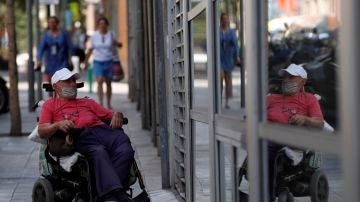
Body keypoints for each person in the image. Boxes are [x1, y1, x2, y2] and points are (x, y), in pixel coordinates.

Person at [37, 68, 134, 202]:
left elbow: (112, 115)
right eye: (67, 81)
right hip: (81, 135)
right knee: (99, 152)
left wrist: (118, 115)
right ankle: (116, 193)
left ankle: (107, 194)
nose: (72, 84)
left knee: (125, 146)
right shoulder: (50, 105)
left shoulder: (87, 102)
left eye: (73, 80)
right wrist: (57, 125)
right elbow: (41, 130)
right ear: (55, 86)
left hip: (101, 131)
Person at [267, 63, 324, 201]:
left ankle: (267, 193)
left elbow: (320, 123)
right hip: (269, 135)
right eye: (285, 77)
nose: (287, 80)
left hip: (293, 137)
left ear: (302, 81)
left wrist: (305, 119)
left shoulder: (309, 99)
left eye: (292, 77)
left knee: (266, 151)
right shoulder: (271, 98)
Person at [85, 16, 122, 109]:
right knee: (100, 81)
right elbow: (90, 49)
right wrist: (86, 61)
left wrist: (116, 43)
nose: (102, 25)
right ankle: (101, 103)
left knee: (108, 83)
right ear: (98, 25)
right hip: (98, 61)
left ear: (107, 25)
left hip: (109, 61)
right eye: (100, 24)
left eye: (104, 24)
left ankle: (108, 103)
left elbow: (120, 45)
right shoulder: (94, 36)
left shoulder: (111, 34)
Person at [36, 16, 73, 83]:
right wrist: (39, 60)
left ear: (57, 23)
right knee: (51, 82)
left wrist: (70, 58)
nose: (52, 24)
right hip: (50, 62)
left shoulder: (64, 34)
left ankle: (59, 93)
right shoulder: (45, 36)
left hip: (62, 61)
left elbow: (69, 46)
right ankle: (51, 93)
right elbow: (41, 48)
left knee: (60, 81)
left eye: (53, 22)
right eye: (50, 22)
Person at [220, 13, 240, 109]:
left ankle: (227, 102)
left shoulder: (231, 32)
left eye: (226, 19)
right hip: (219, 59)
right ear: (221, 20)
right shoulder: (218, 31)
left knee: (228, 82)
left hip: (228, 59)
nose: (225, 21)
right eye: (223, 19)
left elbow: (236, 45)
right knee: (220, 80)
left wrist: (237, 57)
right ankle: (218, 100)